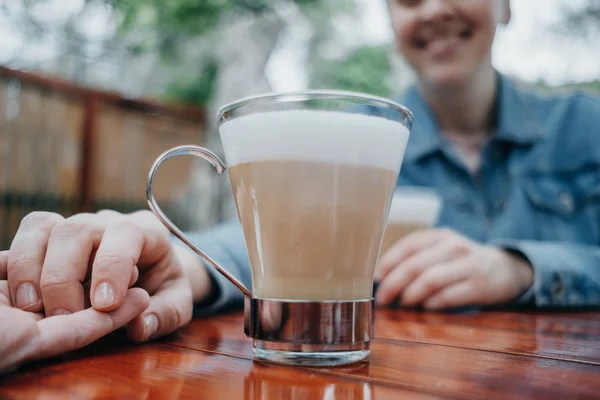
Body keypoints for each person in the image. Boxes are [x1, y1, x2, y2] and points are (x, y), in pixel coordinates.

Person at [1, 0, 599, 372]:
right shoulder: (359, 136)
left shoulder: (586, 126)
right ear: (392, 20)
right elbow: (264, 235)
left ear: (509, 6)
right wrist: (167, 257)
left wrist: (523, 268)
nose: (434, 8)